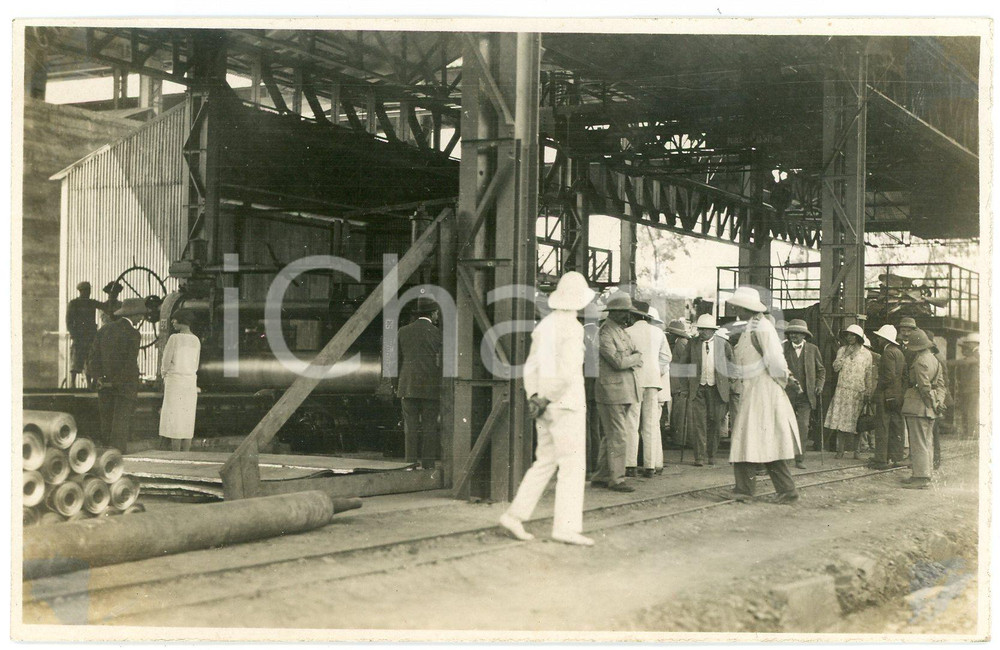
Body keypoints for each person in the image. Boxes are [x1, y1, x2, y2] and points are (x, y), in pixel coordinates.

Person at [500, 272, 596, 546]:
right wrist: (548, 397)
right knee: (572, 465)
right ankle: (565, 528)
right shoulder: (573, 328)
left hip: (544, 403)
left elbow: (530, 367)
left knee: (544, 461)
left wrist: (535, 396)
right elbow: (567, 372)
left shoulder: (545, 326)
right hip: (566, 404)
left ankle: (515, 516)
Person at [726, 287, 800, 503]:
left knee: (753, 438)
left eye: (738, 306)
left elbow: (775, 360)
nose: (735, 309)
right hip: (754, 390)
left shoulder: (762, 327)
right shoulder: (752, 327)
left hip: (763, 390)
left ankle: (750, 489)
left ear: (746, 307)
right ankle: (775, 490)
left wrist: (785, 378)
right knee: (759, 440)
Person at [591, 292, 644, 493]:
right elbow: (618, 361)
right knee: (618, 435)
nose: (627, 316)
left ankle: (602, 476)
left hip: (623, 390)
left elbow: (636, 354)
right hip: (611, 392)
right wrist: (634, 358)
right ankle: (617, 479)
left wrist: (633, 357)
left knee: (611, 435)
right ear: (614, 312)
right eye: (624, 312)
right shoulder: (605, 333)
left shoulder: (621, 332)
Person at [88, 298, 145, 452]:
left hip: (104, 386)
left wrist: (99, 378)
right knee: (120, 425)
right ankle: (117, 459)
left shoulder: (104, 330)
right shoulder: (133, 334)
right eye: (140, 315)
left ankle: (107, 459)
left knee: (106, 422)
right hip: (124, 386)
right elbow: (129, 363)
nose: (142, 318)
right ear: (134, 315)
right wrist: (119, 382)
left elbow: (93, 358)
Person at [681, 313, 733, 466]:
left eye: (705, 329)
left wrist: (727, 381)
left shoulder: (723, 344)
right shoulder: (692, 344)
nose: (701, 332)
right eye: (700, 329)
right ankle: (699, 457)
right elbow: (682, 366)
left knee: (715, 422)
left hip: (717, 390)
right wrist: (685, 387)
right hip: (698, 389)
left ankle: (712, 454)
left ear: (713, 331)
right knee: (699, 423)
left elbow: (732, 365)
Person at [396, 298, 442, 470]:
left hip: (407, 386)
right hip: (430, 387)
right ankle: (428, 465)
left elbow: (396, 359)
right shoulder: (437, 333)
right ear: (432, 313)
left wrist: (396, 383)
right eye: (436, 313)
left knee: (410, 427)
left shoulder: (403, 331)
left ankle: (410, 464)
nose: (437, 316)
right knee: (430, 427)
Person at [625, 302, 670, 477]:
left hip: (634, 380)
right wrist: (656, 370)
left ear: (632, 315)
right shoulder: (658, 333)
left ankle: (630, 465)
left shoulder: (627, 333)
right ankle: (650, 466)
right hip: (653, 382)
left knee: (632, 422)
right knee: (650, 423)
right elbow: (666, 357)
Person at [901, 329, 946, 489]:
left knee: (918, 442)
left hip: (919, 405)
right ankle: (926, 474)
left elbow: (924, 387)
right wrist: (938, 403)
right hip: (931, 407)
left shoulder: (920, 361)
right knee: (927, 442)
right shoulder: (935, 360)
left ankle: (920, 477)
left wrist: (930, 403)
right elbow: (940, 385)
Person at [824, 324, 873, 459]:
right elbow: (835, 368)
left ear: (858, 337)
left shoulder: (866, 354)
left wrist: (868, 391)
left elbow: (868, 374)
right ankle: (840, 451)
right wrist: (844, 355)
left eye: (853, 335)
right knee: (841, 422)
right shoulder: (842, 350)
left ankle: (857, 451)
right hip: (843, 390)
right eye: (848, 335)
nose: (850, 337)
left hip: (858, 391)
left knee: (857, 423)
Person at [782, 319, 826, 469]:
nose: (794, 335)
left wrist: (819, 385)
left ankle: (799, 458)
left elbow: (821, 371)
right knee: (785, 425)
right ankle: (785, 457)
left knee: (803, 426)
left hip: (806, 396)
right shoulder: (783, 348)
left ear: (804, 335)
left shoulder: (813, 349)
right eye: (792, 333)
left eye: (797, 333)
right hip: (786, 395)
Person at [158, 310, 201, 452]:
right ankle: (186, 454)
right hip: (190, 382)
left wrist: (165, 375)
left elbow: (165, 362)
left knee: (174, 418)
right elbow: (195, 364)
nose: (172, 322)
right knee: (187, 417)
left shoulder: (174, 338)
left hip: (175, 382)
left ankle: (175, 454)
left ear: (182, 321)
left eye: (175, 320)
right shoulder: (196, 340)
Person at [870, 324, 906, 469]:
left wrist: (878, 390)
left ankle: (881, 460)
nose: (878, 340)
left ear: (884, 339)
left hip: (886, 396)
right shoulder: (899, 352)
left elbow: (888, 376)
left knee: (883, 426)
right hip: (897, 396)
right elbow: (904, 376)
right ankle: (896, 457)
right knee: (896, 426)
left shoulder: (887, 353)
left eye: (879, 338)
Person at [66, 282, 105, 387]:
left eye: (88, 290)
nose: (88, 292)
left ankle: (89, 384)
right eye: (85, 290)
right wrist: (73, 333)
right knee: (76, 358)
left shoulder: (92, 303)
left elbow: (104, 306)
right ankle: (72, 383)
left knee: (90, 359)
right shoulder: (74, 303)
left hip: (90, 335)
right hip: (79, 336)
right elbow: (68, 321)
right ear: (80, 291)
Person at [666, 319, 693, 449]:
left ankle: (681, 440)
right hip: (678, 382)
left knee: (681, 412)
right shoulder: (680, 343)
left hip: (680, 383)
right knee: (678, 411)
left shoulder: (681, 343)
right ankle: (680, 438)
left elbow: (688, 364)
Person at [953, 333, 980, 438]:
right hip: (966, 388)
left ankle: (970, 433)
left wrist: (947, 362)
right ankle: (967, 433)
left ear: (974, 343)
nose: (966, 346)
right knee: (965, 411)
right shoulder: (970, 356)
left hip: (972, 389)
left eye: (968, 343)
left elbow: (967, 362)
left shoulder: (977, 354)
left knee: (970, 411)